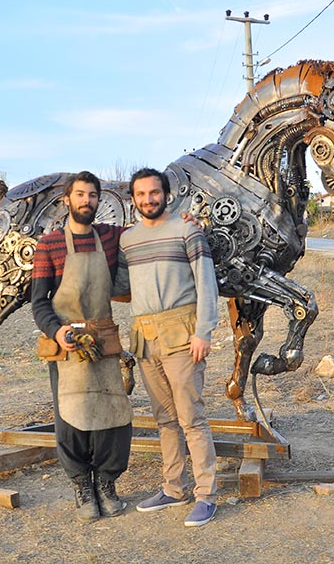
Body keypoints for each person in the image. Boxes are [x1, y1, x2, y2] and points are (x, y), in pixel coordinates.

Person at [119, 167, 221, 528]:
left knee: (190, 417)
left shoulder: (187, 230)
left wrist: (205, 331)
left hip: (183, 335)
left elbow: (206, 283)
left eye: (154, 193)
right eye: (141, 194)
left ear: (166, 194)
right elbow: (118, 284)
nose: (148, 199)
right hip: (145, 340)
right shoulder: (127, 241)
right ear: (133, 200)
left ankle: (206, 494)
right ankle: (173, 488)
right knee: (164, 419)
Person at [30, 171, 132, 523]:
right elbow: (39, 302)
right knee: (71, 419)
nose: (86, 201)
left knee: (112, 417)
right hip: (67, 344)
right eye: (80, 195)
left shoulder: (109, 237)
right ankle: (82, 486)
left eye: (92, 195)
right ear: (67, 200)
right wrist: (56, 332)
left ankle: (105, 483)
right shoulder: (50, 245)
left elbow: (150, 227)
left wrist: (181, 219)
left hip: (103, 338)